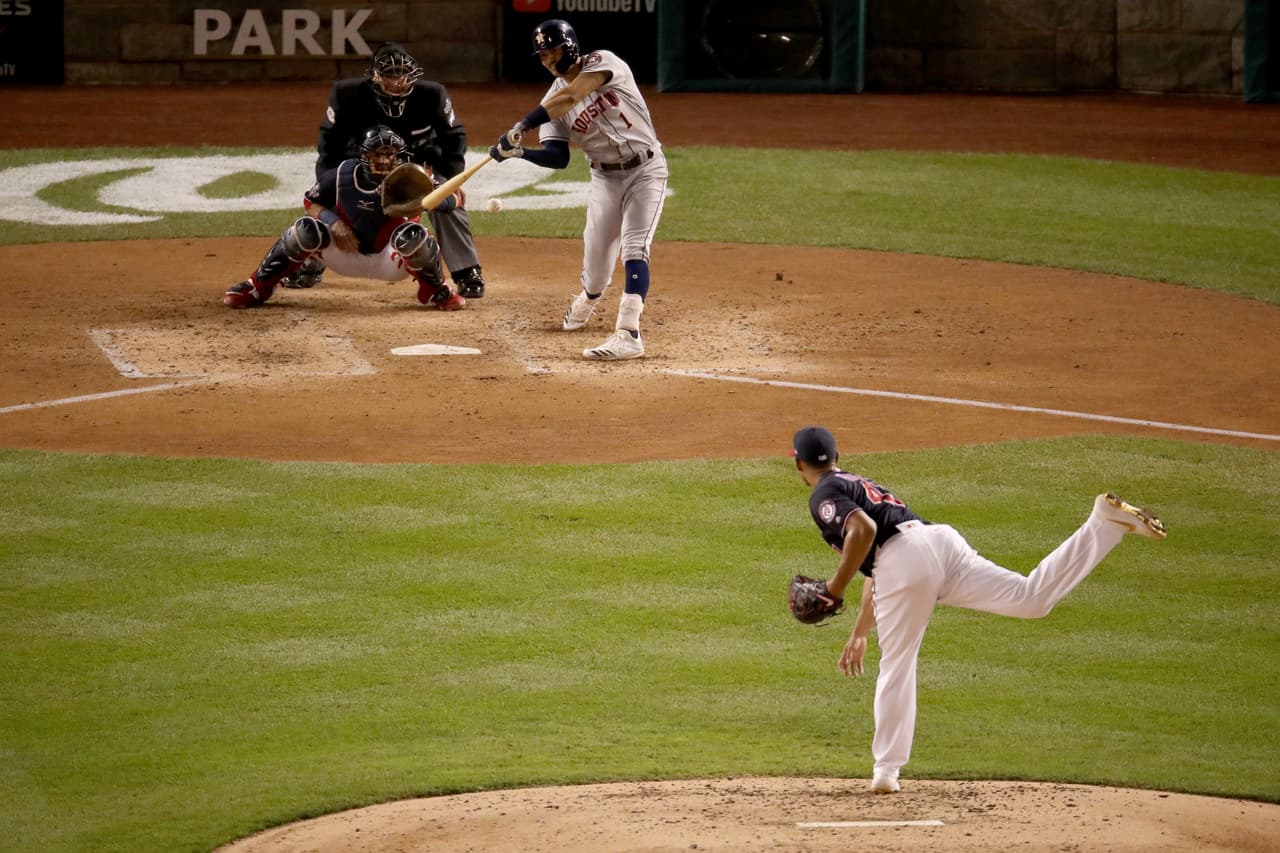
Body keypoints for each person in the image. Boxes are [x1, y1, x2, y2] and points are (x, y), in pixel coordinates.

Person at [790, 425, 1166, 795]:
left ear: (798, 465)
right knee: (1030, 598)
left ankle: (886, 771)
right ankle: (1103, 525)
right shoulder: (857, 482)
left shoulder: (823, 493)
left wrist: (833, 590)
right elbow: (876, 564)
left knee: (898, 664)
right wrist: (859, 630)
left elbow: (864, 530)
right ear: (838, 456)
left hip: (905, 560)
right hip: (938, 542)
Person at [488, 18, 668, 361]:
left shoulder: (603, 62)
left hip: (646, 170)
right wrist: (519, 152)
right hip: (605, 180)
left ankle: (628, 333)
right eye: (542, 55)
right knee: (597, 267)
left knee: (635, 246)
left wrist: (522, 125)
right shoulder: (551, 103)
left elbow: (573, 94)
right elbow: (558, 158)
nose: (547, 60)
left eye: (551, 51)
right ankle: (588, 297)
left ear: (569, 46)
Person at [290, 42, 486, 299]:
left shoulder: (432, 95)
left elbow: (454, 137)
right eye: (389, 75)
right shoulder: (346, 94)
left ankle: (467, 272)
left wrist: (449, 180)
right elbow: (329, 147)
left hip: (416, 167)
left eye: (402, 75)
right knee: (334, 202)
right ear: (374, 75)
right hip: (363, 165)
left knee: (446, 202)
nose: (397, 82)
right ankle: (308, 264)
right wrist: (332, 190)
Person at [222, 126, 466, 312]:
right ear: (364, 155)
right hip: (343, 254)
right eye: (377, 154)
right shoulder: (341, 175)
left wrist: (436, 201)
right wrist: (333, 221)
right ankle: (258, 287)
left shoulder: (413, 177)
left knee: (415, 236)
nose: (383, 160)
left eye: (390, 154)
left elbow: (457, 196)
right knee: (305, 229)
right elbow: (310, 202)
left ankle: (436, 291)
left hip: (390, 261)